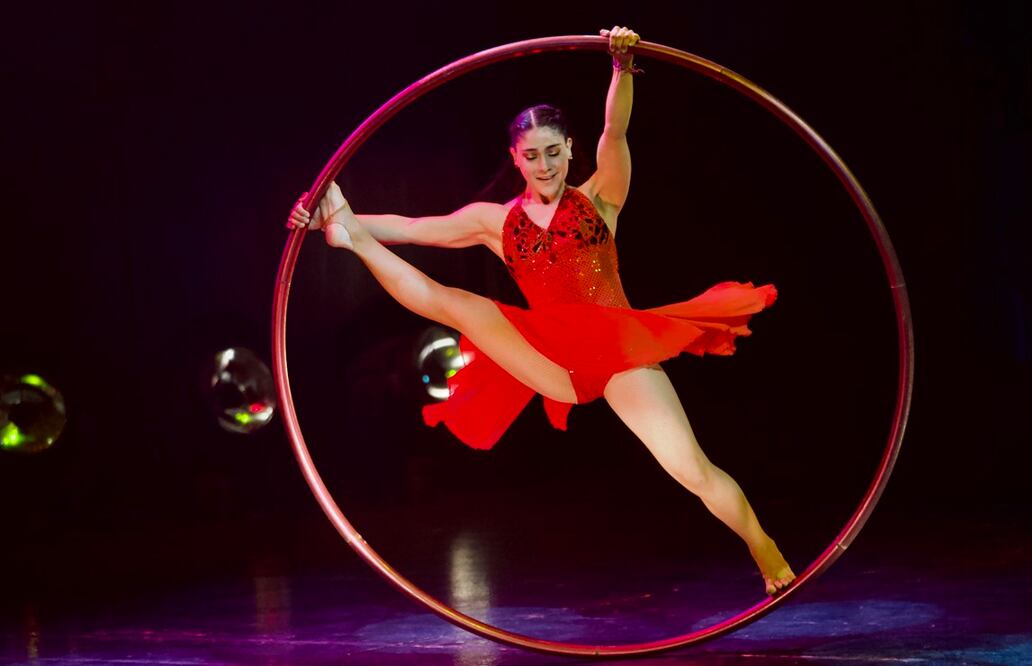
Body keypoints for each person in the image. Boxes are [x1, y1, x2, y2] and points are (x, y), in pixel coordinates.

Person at [288, 26, 795, 595]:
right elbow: (413, 228)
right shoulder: (495, 221)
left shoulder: (601, 196)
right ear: (516, 159)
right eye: (532, 156)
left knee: (691, 470)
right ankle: (348, 234)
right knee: (456, 305)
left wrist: (621, 66)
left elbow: (616, 129)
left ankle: (764, 547)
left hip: (620, 351)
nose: (545, 165)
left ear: (570, 149)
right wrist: (343, 221)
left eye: (554, 152)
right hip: (549, 356)